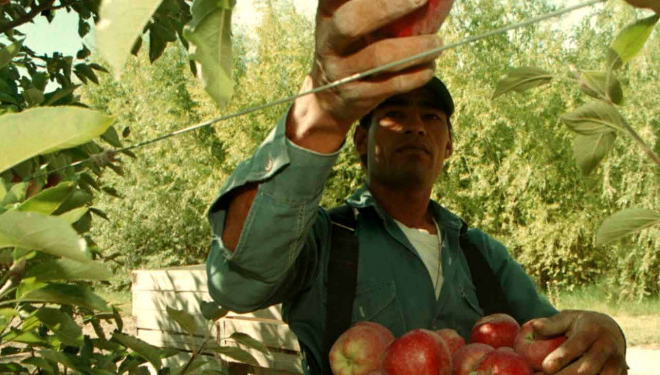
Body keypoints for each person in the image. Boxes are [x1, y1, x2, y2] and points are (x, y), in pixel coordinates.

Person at [205, 1, 634, 374]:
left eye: (431, 118)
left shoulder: (481, 254)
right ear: (360, 141)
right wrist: (322, 113)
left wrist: (601, 334)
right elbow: (237, 284)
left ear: (448, 147)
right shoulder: (325, 240)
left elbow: (549, 342)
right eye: (393, 113)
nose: (414, 126)